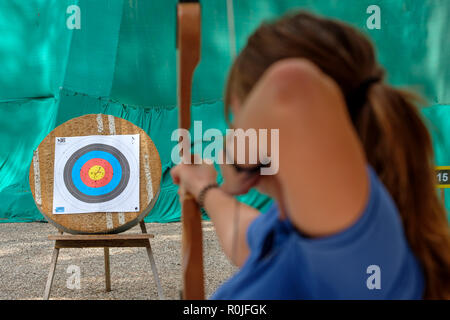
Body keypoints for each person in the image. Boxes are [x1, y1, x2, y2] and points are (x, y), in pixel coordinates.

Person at [170, 11, 450, 299]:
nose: (235, 123)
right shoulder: (298, 229)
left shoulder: (363, 243)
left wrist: (237, 161)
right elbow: (246, 239)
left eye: (238, 111)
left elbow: (291, 85)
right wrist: (205, 188)